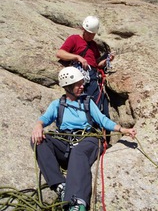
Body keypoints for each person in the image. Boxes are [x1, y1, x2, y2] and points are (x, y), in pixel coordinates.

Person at [31, 67, 136, 211]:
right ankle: (61, 185)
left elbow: (102, 120)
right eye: (78, 84)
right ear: (68, 86)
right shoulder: (57, 104)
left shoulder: (88, 102)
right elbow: (44, 119)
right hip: (66, 142)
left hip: (88, 139)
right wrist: (38, 126)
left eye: (82, 83)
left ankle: (77, 201)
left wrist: (122, 130)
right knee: (38, 140)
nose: (82, 86)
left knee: (78, 152)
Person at [56, 15, 115, 145]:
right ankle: (86, 135)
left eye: (93, 34)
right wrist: (77, 57)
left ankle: (102, 139)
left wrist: (107, 60)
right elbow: (60, 53)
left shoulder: (93, 45)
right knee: (86, 105)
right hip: (82, 76)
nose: (91, 36)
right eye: (89, 33)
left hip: (94, 76)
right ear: (83, 29)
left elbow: (96, 64)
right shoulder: (74, 39)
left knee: (100, 105)